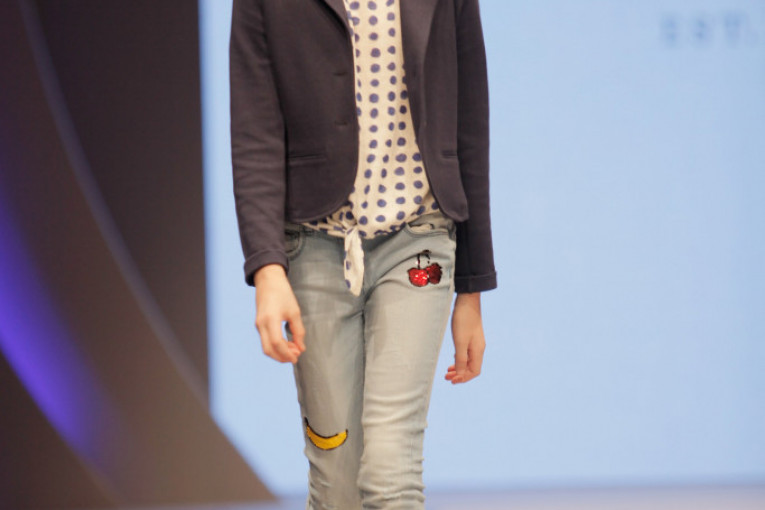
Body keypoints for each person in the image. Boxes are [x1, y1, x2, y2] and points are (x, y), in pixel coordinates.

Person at [230, 0, 496, 508]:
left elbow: (470, 123)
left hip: (419, 239)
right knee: (336, 483)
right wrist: (267, 268)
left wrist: (472, 287)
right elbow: (255, 131)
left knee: (391, 472)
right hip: (313, 246)